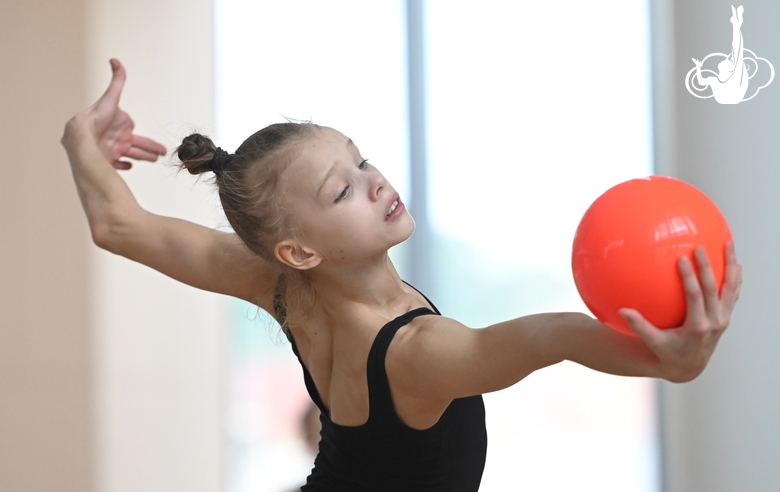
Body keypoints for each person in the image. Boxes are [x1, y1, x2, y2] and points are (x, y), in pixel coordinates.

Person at [61, 60, 742, 492]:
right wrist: (667, 360)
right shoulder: (417, 353)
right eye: (341, 191)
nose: (373, 182)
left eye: (361, 162)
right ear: (299, 249)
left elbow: (118, 226)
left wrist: (81, 142)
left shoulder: (283, 287)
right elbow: (550, 335)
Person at [692, 5, 748, 104]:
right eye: (728, 60)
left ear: (729, 69)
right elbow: (701, 82)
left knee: (737, 50)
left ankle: (736, 23)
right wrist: (698, 67)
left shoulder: (734, 78)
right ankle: (736, 23)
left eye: (728, 61)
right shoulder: (714, 80)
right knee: (736, 50)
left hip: (733, 97)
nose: (725, 59)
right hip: (728, 98)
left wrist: (736, 26)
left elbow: (737, 49)